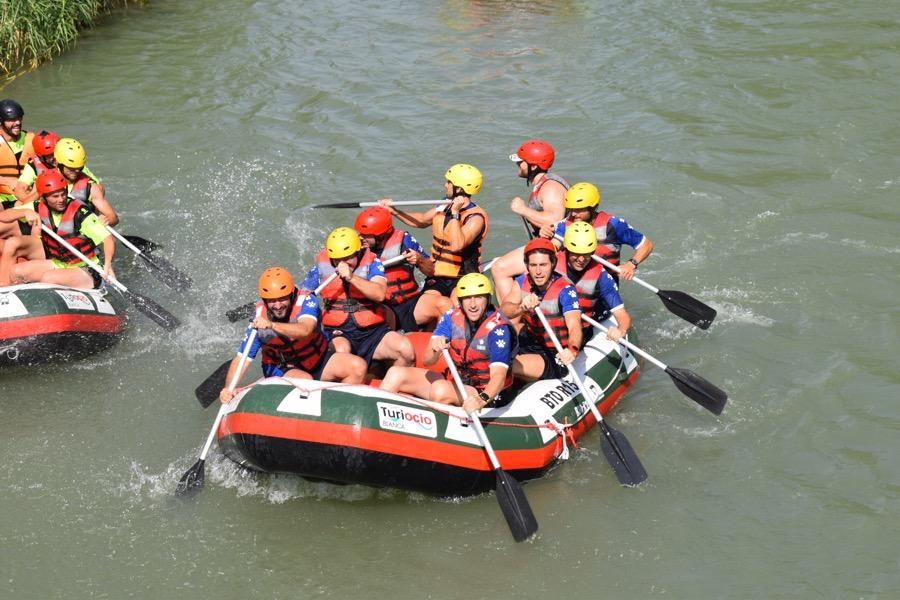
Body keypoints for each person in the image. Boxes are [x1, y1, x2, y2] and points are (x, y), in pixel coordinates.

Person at [218, 267, 367, 403]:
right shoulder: (257, 320)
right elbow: (242, 359)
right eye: (272, 301)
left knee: (358, 367)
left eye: (282, 298)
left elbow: (305, 330)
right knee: (306, 381)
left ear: (291, 294)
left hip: (317, 359)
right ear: (265, 300)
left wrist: (272, 325)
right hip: (284, 367)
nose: (278, 305)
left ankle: (338, 408)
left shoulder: (307, 301)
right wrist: (228, 388)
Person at [379, 273, 516, 413]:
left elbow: (499, 375)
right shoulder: (451, 317)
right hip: (456, 382)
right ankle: (377, 420)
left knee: (440, 390)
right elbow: (427, 361)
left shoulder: (499, 329)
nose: (473, 304)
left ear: (487, 299)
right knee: (395, 373)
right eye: (467, 298)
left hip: (486, 393)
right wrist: (435, 350)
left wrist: (481, 399)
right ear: (461, 301)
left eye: (479, 297)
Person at [300, 226, 414, 369]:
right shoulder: (320, 268)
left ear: (358, 252)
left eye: (348, 257)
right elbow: (302, 296)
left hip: (372, 331)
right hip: (339, 332)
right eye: (337, 259)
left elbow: (379, 294)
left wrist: (351, 277)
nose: (343, 263)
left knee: (405, 350)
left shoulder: (373, 263)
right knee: (342, 352)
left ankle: (391, 382)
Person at [378, 163, 488, 300]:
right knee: (424, 308)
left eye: (449, 182)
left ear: (459, 189)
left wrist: (455, 212)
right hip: (437, 275)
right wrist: (395, 212)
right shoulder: (444, 205)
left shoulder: (476, 218)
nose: (445, 185)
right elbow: (422, 220)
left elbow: (456, 245)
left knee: (455, 307)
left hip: (462, 278)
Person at [0, 170, 115, 289]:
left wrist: (108, 264)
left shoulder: (80, 213)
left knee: (49, 278)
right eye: (55, 196)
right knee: (16, 272)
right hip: (59, 263)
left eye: (63, 194)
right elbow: (3, 216)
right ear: (43, 197)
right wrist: (25, 212)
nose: (61, 200)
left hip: (85, 268)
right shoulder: (37, 206)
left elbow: (108, 239)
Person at [491, 139, 570, 305]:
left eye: (521, 162)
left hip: (556, 249)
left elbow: (554, 220)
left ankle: (513, 320)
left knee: (500, 268)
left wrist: (522, 209)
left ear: (533, 166)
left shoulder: (551, 187)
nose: (518, 165)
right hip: (545, 245)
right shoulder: (542, 184)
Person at [353, 206, 450, 332]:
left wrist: (420, 260)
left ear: (380, 235)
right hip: (383, 308)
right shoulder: (356, 249)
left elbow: (431, 271)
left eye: (366, 235)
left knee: (444, 304)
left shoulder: (405, 241)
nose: (360, 237)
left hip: (411, 304)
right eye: (360, 233)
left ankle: (442, 343)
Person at [499, 238, 582, 383]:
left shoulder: (566, 290)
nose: (538, 272)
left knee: (503, 367)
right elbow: (504, 310)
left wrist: (573, 349)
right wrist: (521, 308)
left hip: (554, 351)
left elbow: (574, 325)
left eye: (543, 265)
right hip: (530, 340)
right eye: (533, 265)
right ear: (527, 265)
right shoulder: (521, 282)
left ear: (553, 264)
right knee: (505, 334)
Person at [543, 182, 653, 282]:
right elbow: (553, 247)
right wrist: (545, 236)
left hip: (604, 288)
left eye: (579, 210)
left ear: (592, 208)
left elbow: (646, 245)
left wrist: (631, 264)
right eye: (571, 209)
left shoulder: (613, 225)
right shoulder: (566, 225)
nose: (573, 214)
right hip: (570, 285)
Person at [557, 222, 632, 343]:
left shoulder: (602, 277)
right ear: (566, 249)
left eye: (586, 254)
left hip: (580, 329)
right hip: (549, 326)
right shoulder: (550, 264)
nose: (581, 260)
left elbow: (623, 316)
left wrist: (621, 330)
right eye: (576, 253)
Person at [54, 137, 119, 226]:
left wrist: (105, 221)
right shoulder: (46, 181)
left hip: (81, 233)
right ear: (59, 163)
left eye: (80, 168)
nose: (76, 171)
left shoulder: (91, 188)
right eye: (71, 168)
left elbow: (113, 218)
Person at [0, 99, 35, 210]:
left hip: (29, 194)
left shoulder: (32, 139)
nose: (18, 123)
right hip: (3, 197)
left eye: (19, 118)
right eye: (12, 120)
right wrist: (8, 181)